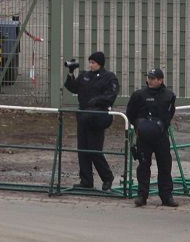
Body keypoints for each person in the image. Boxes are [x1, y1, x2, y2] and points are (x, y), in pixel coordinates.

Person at [63, 51, 119, 191]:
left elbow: (111, 95)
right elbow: (72, 87)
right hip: (83, 116)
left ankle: (107, 177)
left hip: (97, 117)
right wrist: (71, 73)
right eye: (90, 62)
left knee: (94, 149)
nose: (91, 65)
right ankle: (86, 180)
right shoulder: (85, 76)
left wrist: (97, 101)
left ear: (100, 63)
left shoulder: (109, 77)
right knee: (82, 149)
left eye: (93, 62)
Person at [125, 67, 178, 207]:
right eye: (149, 77)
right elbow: (130, 113)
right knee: (143, 166)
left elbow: (170, 112)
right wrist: (139, 126)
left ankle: (166, 196)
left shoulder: (169, 95)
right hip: (144, 136)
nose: (150, 80)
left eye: (153, 78)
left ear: (160, 80)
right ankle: (142, 195)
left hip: (161, 136)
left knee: (165, 166)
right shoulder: (139, 95)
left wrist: (161, 125)